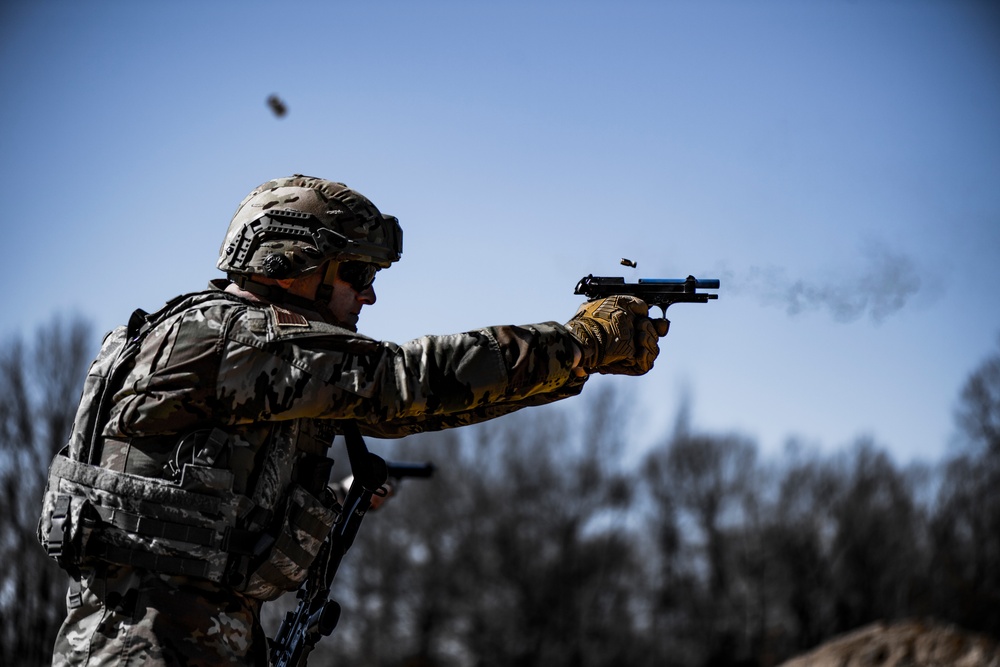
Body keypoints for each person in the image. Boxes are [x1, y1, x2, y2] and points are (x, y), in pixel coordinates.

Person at [38, 175, 667, 666]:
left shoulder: (235, 351)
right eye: (357, 273)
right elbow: (406, 385)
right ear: (293, 262)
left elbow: (414, 407)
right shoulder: (233, 340)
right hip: (151, 651)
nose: (369, 295)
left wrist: (574, 368)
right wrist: (579, 344)